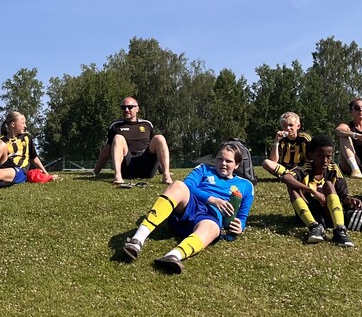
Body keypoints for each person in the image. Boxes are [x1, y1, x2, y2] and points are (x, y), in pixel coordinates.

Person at [120, 141, 254, 274]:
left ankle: (173, 256)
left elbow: (242, 216)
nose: (223, 163)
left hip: (209, 218)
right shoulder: (204, 169)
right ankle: (137, 240)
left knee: (213, 229)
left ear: (237, 164)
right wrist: (212, 200)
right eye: (220, 159)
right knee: (178, 185)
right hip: (190, 206)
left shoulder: (246, 186)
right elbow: (188, 185)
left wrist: (240, 226)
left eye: (228, 161)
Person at [277, 135, 357, 248]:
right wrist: (312, 191)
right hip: (308, 212)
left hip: (328, 212)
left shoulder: (333, 169)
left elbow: (343, 195)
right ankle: (313, 227)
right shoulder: (305, 168)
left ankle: (340, 230)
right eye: (320, 156)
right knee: (292, 186)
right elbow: (286, 177)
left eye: (328, 157)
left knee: (328, 184)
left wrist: (351, 200)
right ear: (310, 155)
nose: (325, 160)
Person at [93, 97, 173, 185]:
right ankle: (118, 176)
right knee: (118, 138)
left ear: (137, 109)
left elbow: (157, 148)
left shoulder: (147, 124)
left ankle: (166, 176)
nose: (126, 110)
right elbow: (106, 150)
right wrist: (96, 172)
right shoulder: (115, 125)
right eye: (123, 107)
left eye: (130, 107)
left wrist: (162, 170)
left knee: (159, 138)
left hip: (146, 166)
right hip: (127, 167)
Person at [261, 112, 311, 178]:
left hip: (301, 169)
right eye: (284, 126)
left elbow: (312, 157)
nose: (288, 128)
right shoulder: (281, 139)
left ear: (298, 126)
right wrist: (276, 142)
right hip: (284, 170)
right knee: (266, 163)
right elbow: (274, 160)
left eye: (291, 125)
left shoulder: (304, 138)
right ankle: (289, 176)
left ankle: (292, 177)